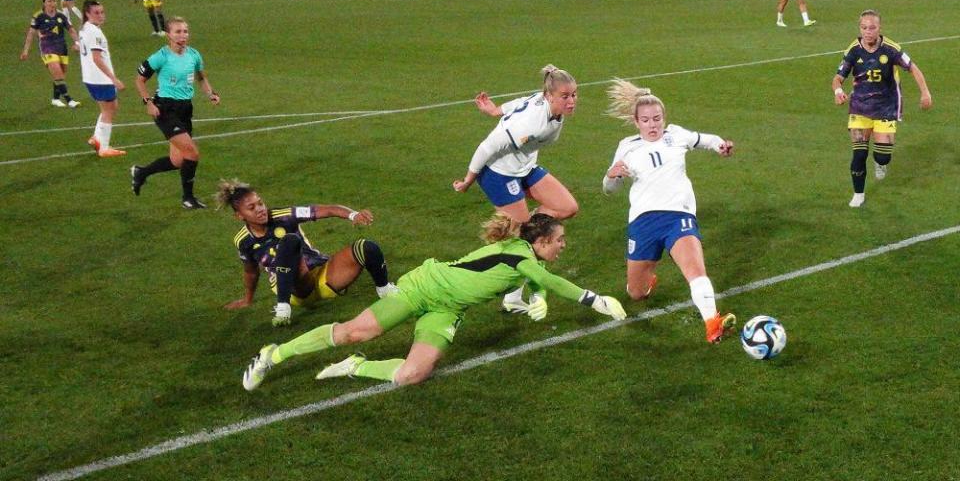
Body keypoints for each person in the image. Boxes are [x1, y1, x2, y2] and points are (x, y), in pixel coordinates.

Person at [241, 213, 627, 391]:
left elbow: (537, 277)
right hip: (422, 287)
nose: (563, 245)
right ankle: (273, 355)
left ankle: (356, 369)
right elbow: (544, 276)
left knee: (412, 374)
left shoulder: (523, 251)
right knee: (353, 332)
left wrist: (540, 296)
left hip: (447, 309)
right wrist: (594, 300)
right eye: (560, 240)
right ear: (542, 242)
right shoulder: (523, 256)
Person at [602, 80, 736, 344]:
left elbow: (705, 139)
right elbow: (609, 188)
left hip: (679, 216)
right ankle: (647, 281)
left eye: (657, 119)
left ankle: (712, 323)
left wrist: (720, 145)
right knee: (636, 294)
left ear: (664, 118)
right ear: (636, 121)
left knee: (696, 272)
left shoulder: (676, 135)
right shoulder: (627, 146)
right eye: (646, 120)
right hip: (643, 223)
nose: (652, 125)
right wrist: (612, 176)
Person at [454, 65, 579, 312]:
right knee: (524, 237)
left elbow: (523, 100)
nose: (572, 100)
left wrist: (496, 110)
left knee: (567, 207)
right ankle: (511, 295)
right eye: (565, 96)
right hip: (498, 173)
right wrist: (468, 179)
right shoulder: (531, 123)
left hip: (525, 167)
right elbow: (487, 147)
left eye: (574, 94)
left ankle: (521, 229)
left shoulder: (550, 108)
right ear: (550, 96)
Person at [216, 179, 398, 327]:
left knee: (366, 247)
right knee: (290, 241)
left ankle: (385, 291)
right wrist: (247, 299)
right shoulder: (243, 240)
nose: (260, 209)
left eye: (260, 203)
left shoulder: (284, 215)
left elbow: (327, 209)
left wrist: (354, 215)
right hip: (293, 290)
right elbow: (250, 271)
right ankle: (283, 308)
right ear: (239, 216)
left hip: (321, 276)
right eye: (252, 208)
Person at [832, 10, 933, 208]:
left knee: (882, 156)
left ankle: (880, 163)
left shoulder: (891, 48)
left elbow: (913, 67)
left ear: (879, 28)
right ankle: (858, 194)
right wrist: (838, 91)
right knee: (859, 154)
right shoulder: (853, 49)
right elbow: (838, 77)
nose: (868, 32)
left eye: (872, 28)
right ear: (859, 28)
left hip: (886, 107)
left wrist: (925, 93)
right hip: (860, 107)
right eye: (864, 28)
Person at [131, 16, 220, 209]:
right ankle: (188, 198)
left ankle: (141, 172)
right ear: (168, 35)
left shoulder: (194, 55)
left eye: (185, 31)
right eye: (177, 32)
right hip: (165, 108)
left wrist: (210, 93)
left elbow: (201, 78)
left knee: (178, 160)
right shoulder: (160, 56)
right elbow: (139, 80)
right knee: (192, 153)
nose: (182, 35)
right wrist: (148, 103)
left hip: (185, 109)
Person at [78, 0, 126, 157]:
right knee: (109, 110)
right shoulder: (95, 32)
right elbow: (97, 58)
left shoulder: (85, 28)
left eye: (102, 12)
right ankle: (104, 148)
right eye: (96, 13)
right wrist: (114, 79)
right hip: (100, 78)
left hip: (89, 77)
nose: (101, 15)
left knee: (110, 108)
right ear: (87, 14)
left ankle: (96, 138)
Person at [19, 0, 80, 108]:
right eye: (50, 1)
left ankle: (55, 99)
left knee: (60, 75)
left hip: (62, 47)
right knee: (57, 72)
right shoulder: (38, 16)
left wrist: (77, 43)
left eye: (54, 1)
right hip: (47, 47)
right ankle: (69, 100)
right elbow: (31, 33)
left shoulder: (61, 15)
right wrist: (26, 50)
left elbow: (71, 30)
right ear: (44, 3)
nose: (53, 3)